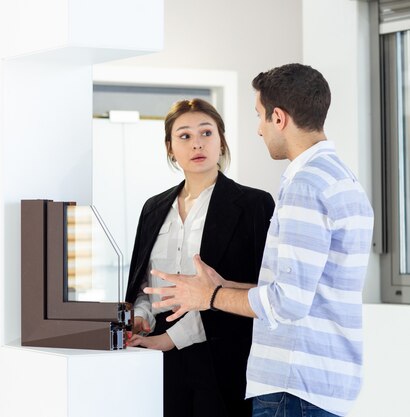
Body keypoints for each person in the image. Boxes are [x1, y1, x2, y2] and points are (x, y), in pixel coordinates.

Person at [145, 64, 374, 417]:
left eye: (260, 117)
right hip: (317, 384)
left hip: (292, 385)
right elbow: (302, 289)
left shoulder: (305, 185)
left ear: (278, 118)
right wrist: (228, 285)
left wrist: (210, 295)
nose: (258, 129)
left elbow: (288, 302)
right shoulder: (338, 177)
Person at [125, 98, 275, 417]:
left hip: (224, 355)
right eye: (184, 136)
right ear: (170, 148)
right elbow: (144, 283)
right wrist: (141, 318)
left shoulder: (254, 205)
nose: (197, 143)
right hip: (156, 354)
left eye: (206, 133)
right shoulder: (153, 208)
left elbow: (265, 290)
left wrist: (172, 338)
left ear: (221, 141)